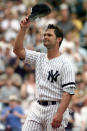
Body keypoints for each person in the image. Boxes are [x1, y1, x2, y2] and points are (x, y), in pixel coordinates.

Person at [13, 16, 76, 131]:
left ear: (59, 39)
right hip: (37, 106)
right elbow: (18, 50)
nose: (45, 37)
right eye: (45, 35)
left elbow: (69, 92)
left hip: (56, 107)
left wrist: (59, 114)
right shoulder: (39, 57)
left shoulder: (65, 63)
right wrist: (23, 29)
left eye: (49, 35)